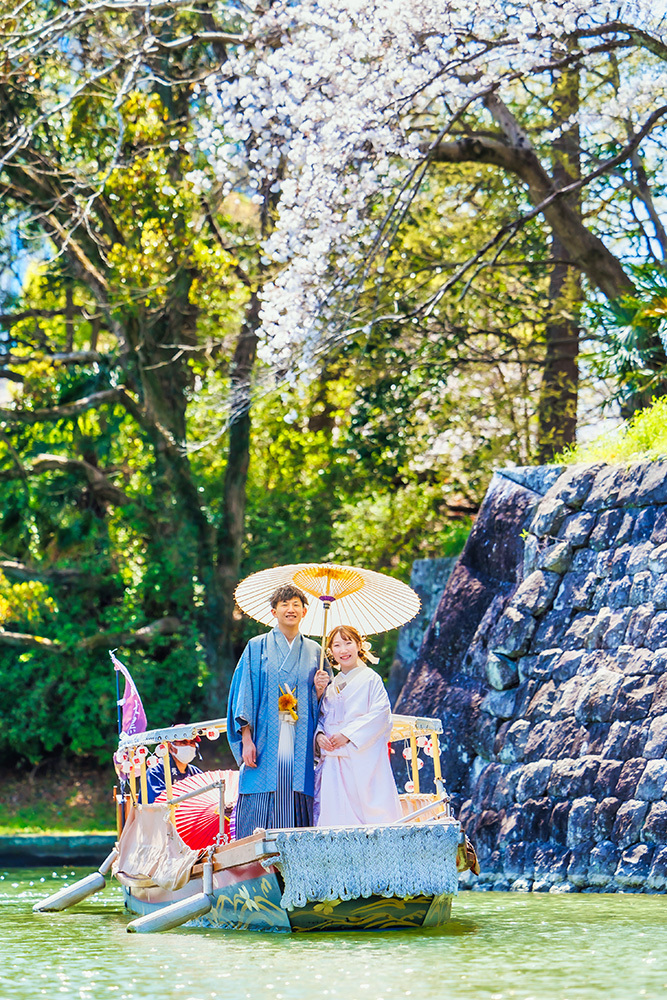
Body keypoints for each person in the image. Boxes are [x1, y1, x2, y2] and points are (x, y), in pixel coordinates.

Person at [227, 583, 330, 839]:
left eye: (296, 604)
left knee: (294, 797)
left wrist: (319, 690)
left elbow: (327, 706)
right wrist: (246, 739)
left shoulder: (316, 652)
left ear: (305, 612)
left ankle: (295, 862)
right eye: (284, 604)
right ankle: (254, 864)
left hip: (299, 740)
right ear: (274, 612)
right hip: (265, 736)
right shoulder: (256, 646)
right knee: (262, 792)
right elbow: (245, 692)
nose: (290, 609)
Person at [315, 625, 402, 826]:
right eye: (337, 645)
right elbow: (321, 717)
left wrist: (347, 734)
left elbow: (381, 714)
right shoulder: (330, 684)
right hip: (333, 760)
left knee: (369, 817)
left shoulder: (371, 678)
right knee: (335, 819)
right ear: (331, 651)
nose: (343, 650)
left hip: (361, 758)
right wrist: (319, 736)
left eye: (348, 643)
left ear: (359, 645)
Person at [145, 731, 202, 803]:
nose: (188, 746)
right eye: (183, 742)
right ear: (170, 746)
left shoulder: (196, 773)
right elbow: (160, 802)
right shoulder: (156, 770)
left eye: (192, 743)